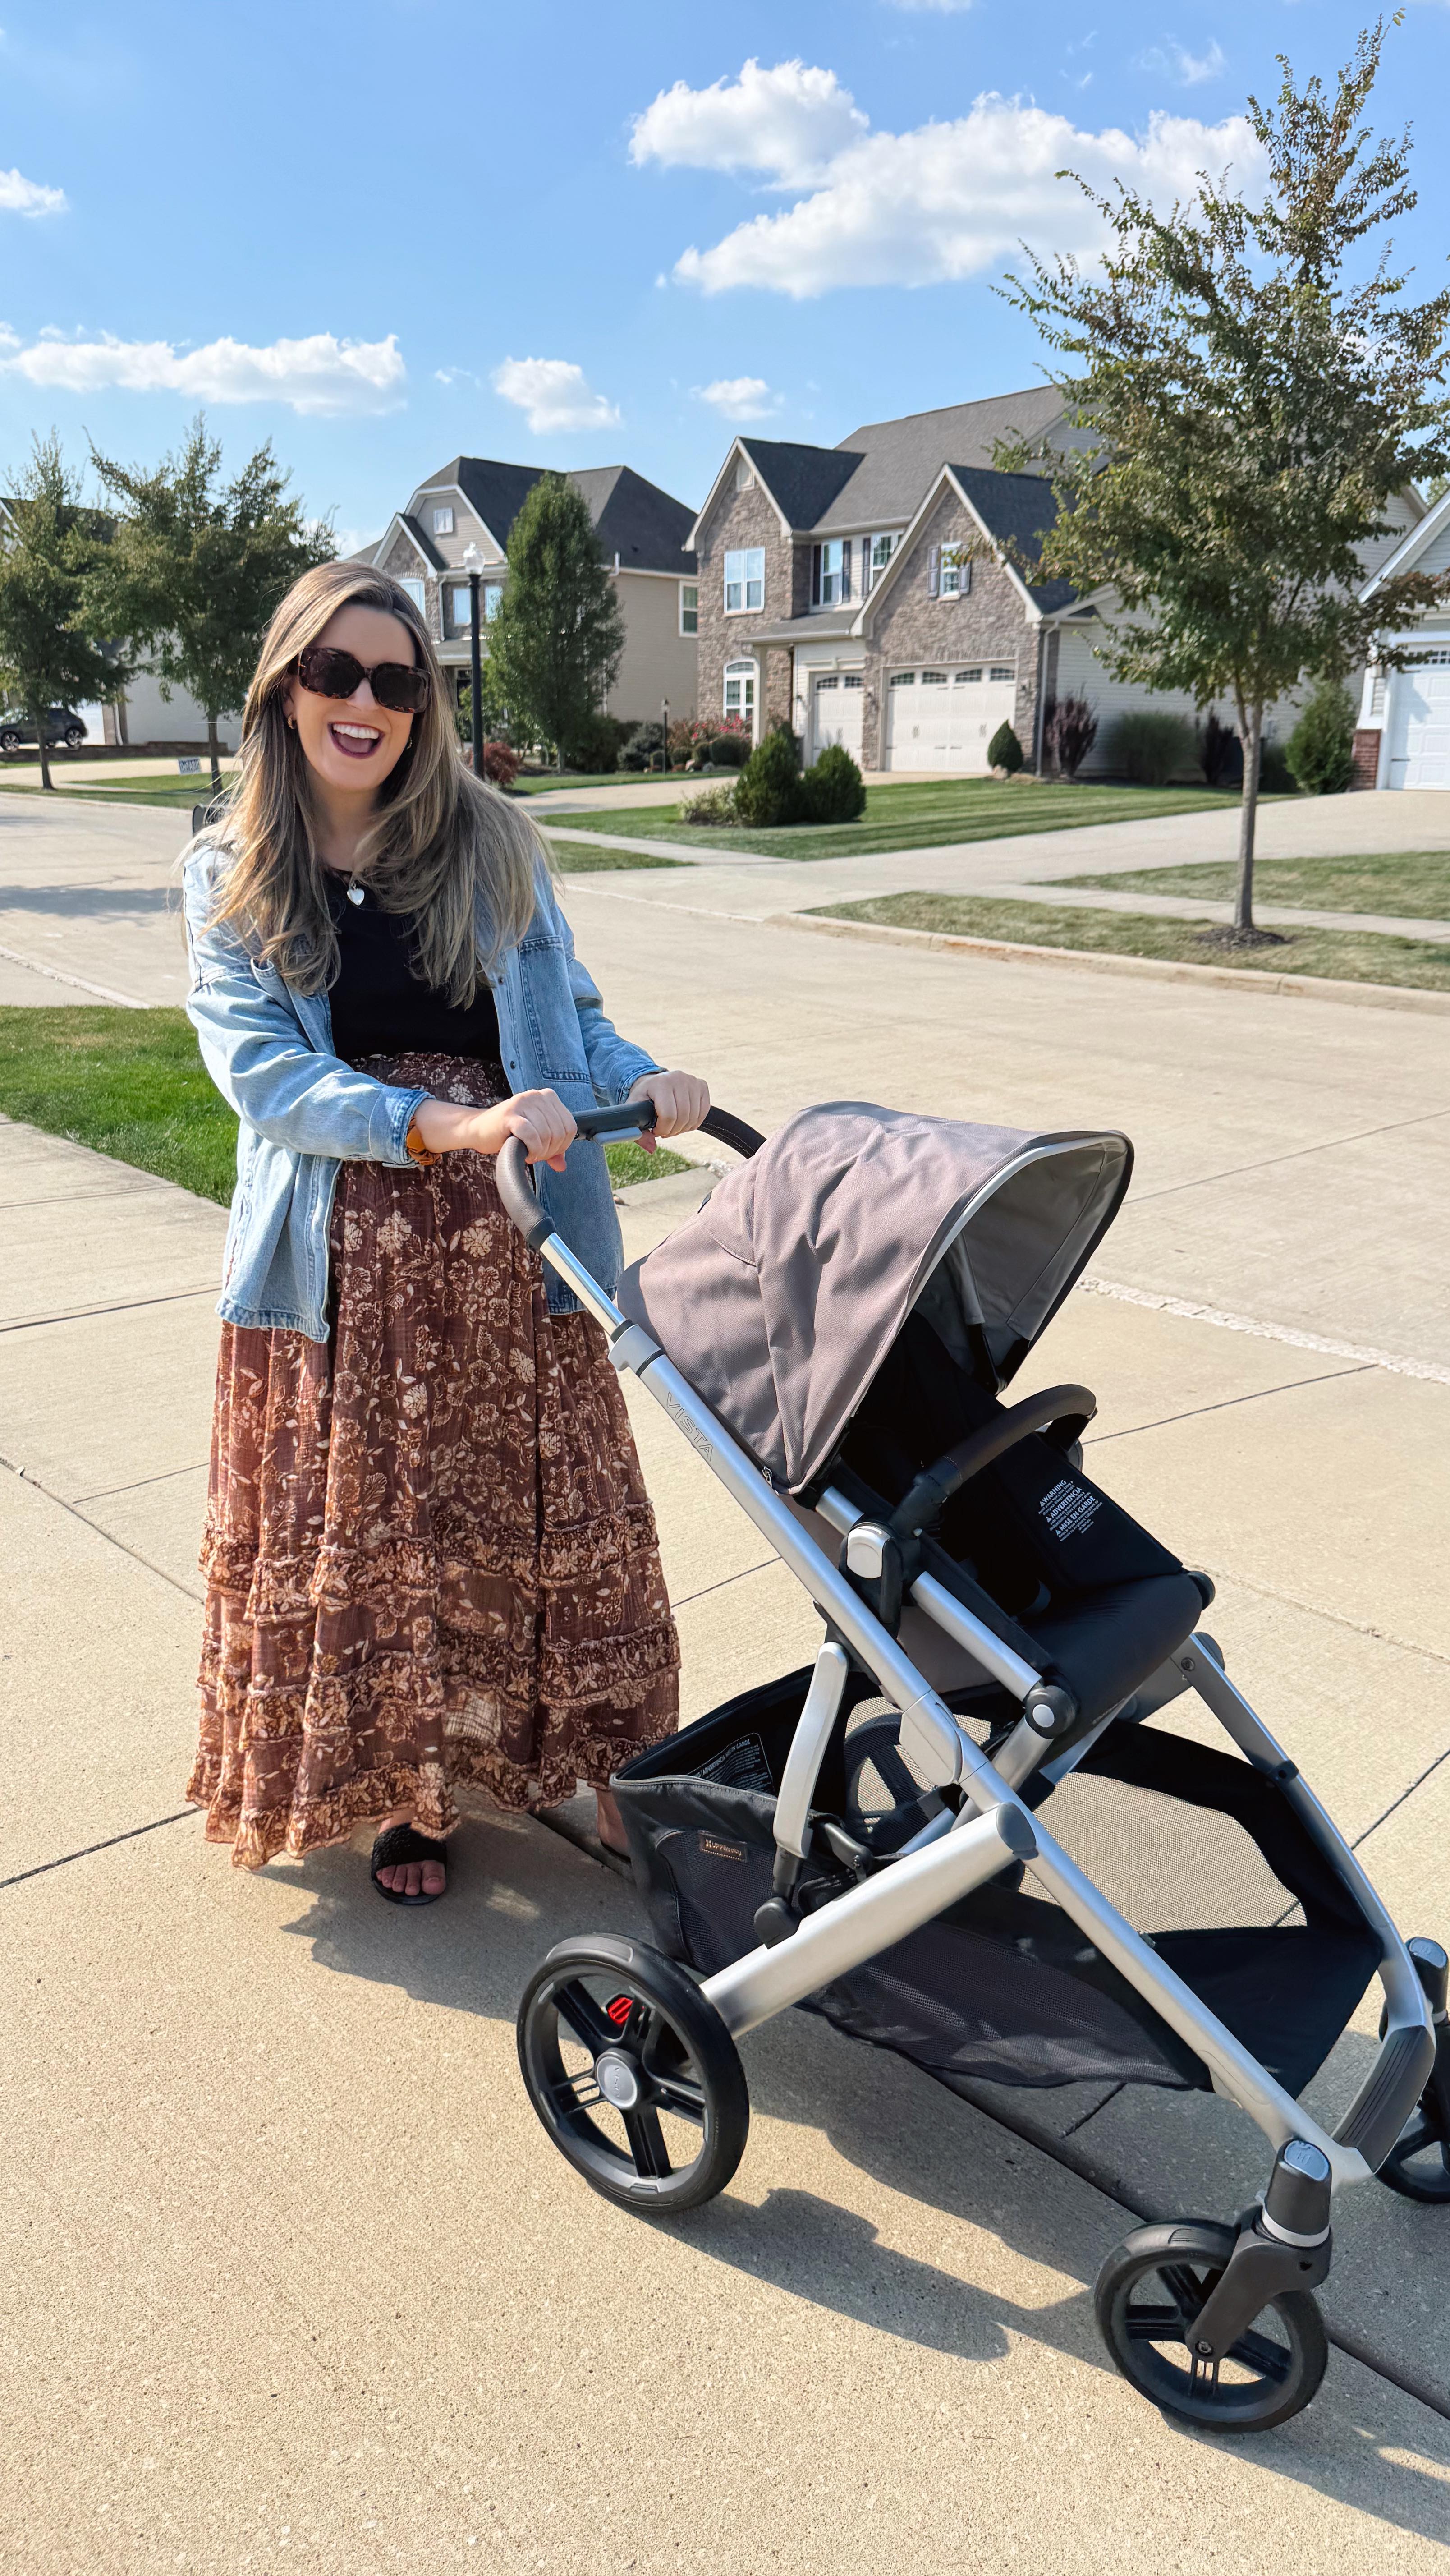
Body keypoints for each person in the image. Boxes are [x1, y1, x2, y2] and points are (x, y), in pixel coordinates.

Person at [181, 559, 707, 1904]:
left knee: (550, 1517)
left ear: (426, 705)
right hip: (343, 1277)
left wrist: (643, 1083)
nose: (367, 703)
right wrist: (443, 1126)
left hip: (515, 1249)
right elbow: (268, 1078)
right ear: (285, 687)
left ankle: (598, 1762)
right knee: (387, 1543)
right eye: (337, 673)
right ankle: (408, 1796)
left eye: (398, 682)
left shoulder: (492, 842)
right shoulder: (233, 877)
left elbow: (573, 1019)